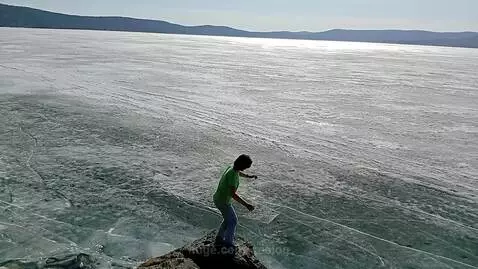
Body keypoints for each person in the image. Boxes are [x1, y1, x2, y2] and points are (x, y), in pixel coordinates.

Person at [213, 154, 257, 247]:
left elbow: (239, 173)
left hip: (220, 198)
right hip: (223, 201)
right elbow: (233, 194)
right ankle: (228, 243)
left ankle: (219, 237)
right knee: (233, 221)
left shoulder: (232, 169)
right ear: (242, 166)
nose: (245, 169)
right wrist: (247, 205)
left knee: (228, 219)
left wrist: (249, 176)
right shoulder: (232, 175)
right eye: (245, 167)